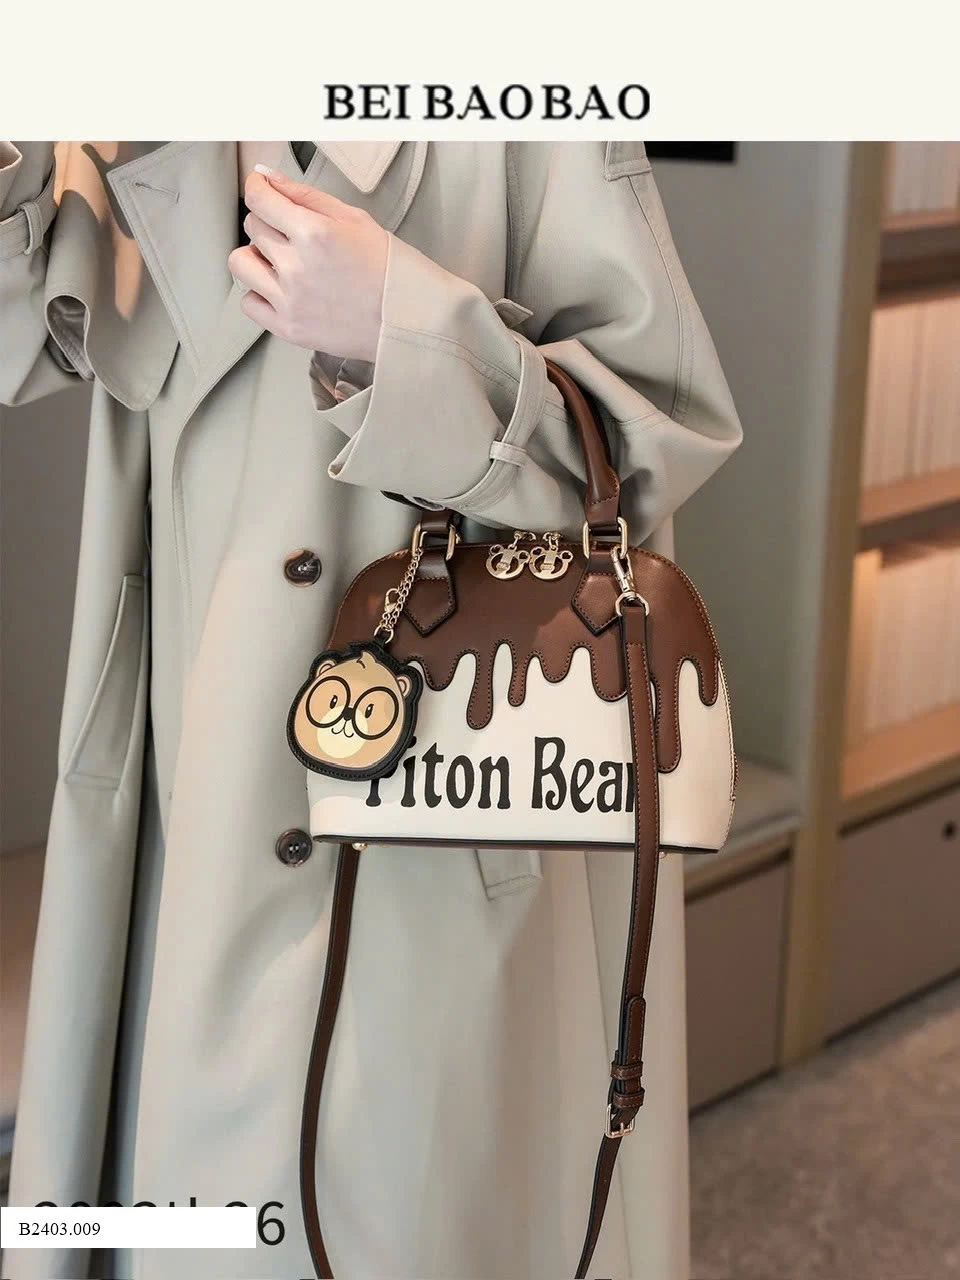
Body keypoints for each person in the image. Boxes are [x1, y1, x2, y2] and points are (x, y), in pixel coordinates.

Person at [0, 139, 742, 1279]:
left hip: (439, 808)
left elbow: (651, 440)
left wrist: (405, 328)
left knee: (407, 1206)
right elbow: (27, 340)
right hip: (187, 792)